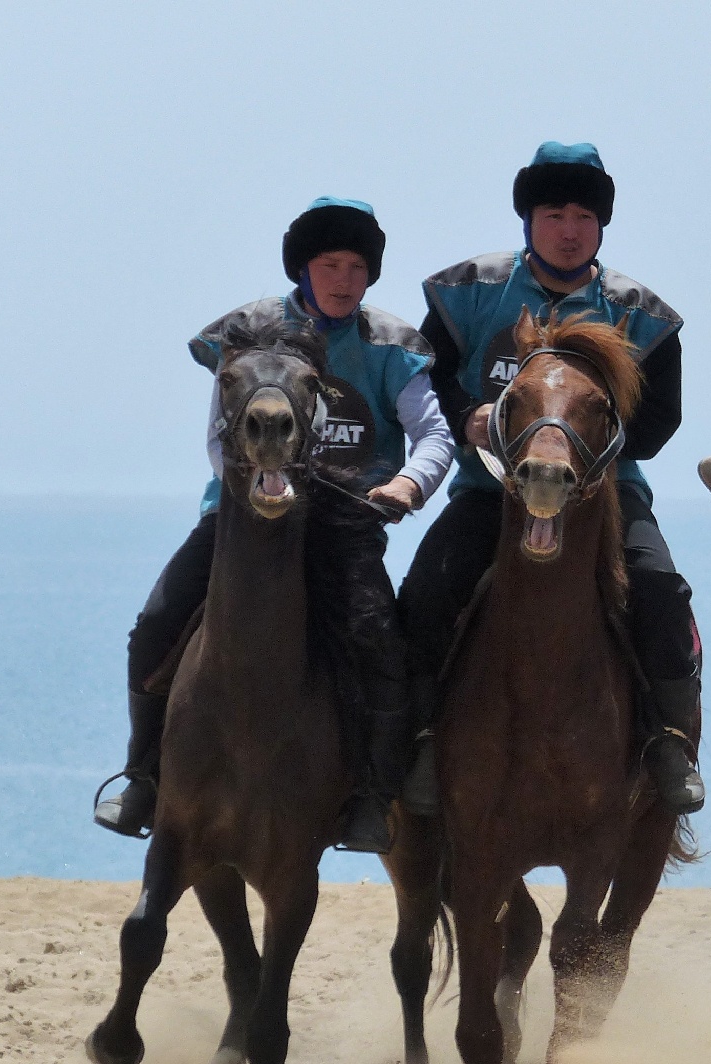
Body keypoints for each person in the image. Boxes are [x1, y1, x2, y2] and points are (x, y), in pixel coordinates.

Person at [93, 197, 453, 852]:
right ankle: (144, 777)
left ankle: (373, 795)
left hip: (345, 531)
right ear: (304, 268)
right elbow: (217, 434)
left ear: (370, 274)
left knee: (382, 642)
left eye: (355, 266)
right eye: (328, 264)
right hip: (240, 523)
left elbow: (434, 433)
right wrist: (257, 488)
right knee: (154, 625)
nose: (343, 278)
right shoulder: (249, 330)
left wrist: (407, 483)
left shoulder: (391, 345)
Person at [402, 141, 704, 815]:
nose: (568, 230)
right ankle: (413, 742)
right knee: (425, 593)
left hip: (607, 495)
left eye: (582, 217)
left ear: (601, 226)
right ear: (529, 220)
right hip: (490, 490)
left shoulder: (641, 314)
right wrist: (470, 417)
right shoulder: (467, 292)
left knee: (659, 589)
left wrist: (589, 434)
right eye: (553, 214)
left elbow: (660, 423)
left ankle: (669, 741)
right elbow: (429, 382)